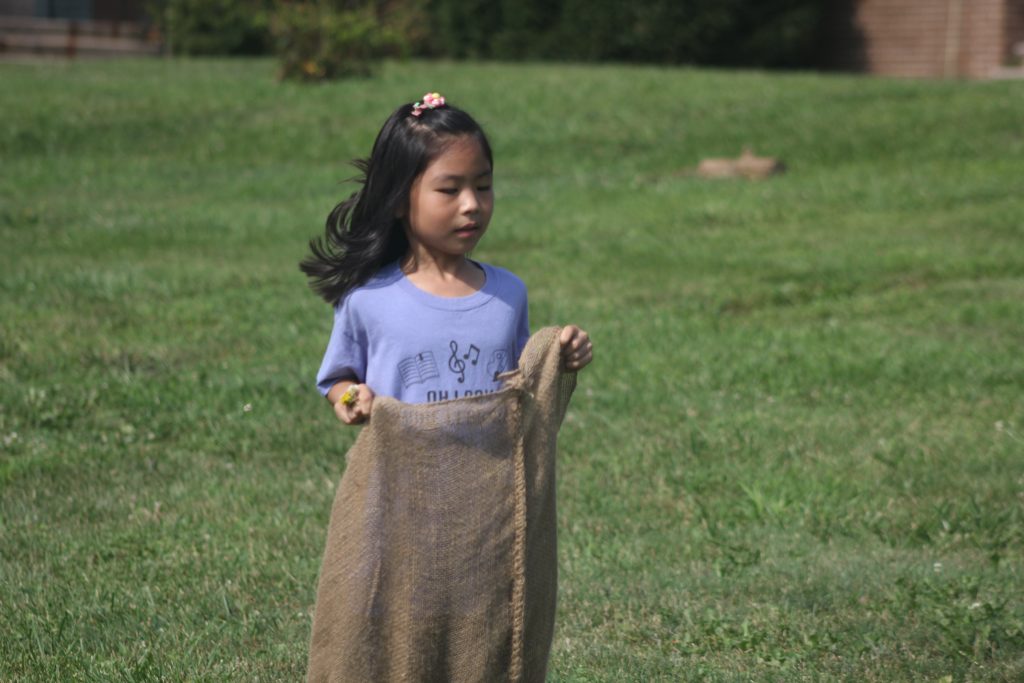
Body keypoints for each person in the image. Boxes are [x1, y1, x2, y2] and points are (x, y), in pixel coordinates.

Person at [301, 92, 593, 421]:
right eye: (450, 190)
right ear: (398, 200)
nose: (471, 204)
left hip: (494, 458)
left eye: (483, 186)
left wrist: (562, 354)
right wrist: (351, 397)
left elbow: (525, 381)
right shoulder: (367, 299)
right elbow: (337, 380)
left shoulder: (509, 293)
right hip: (399, 457)